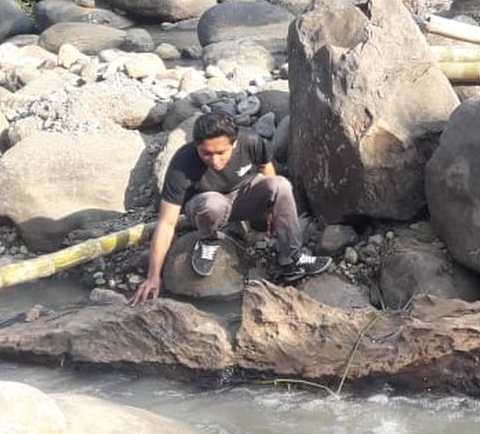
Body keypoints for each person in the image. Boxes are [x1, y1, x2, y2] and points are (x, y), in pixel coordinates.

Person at [129, 112, 331, 305]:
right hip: (205, 209)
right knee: (212, 203)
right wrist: (153, 277)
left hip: (243, 196)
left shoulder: (251, 141)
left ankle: (292, 258)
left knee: (281, 184)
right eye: (206, 153)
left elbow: (266, 169)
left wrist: (272, 209)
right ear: (196, 145)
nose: (214, 161)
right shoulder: (183, 163)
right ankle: (208, 240)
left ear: (234, 144)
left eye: (220, 153)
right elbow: (167, 222)